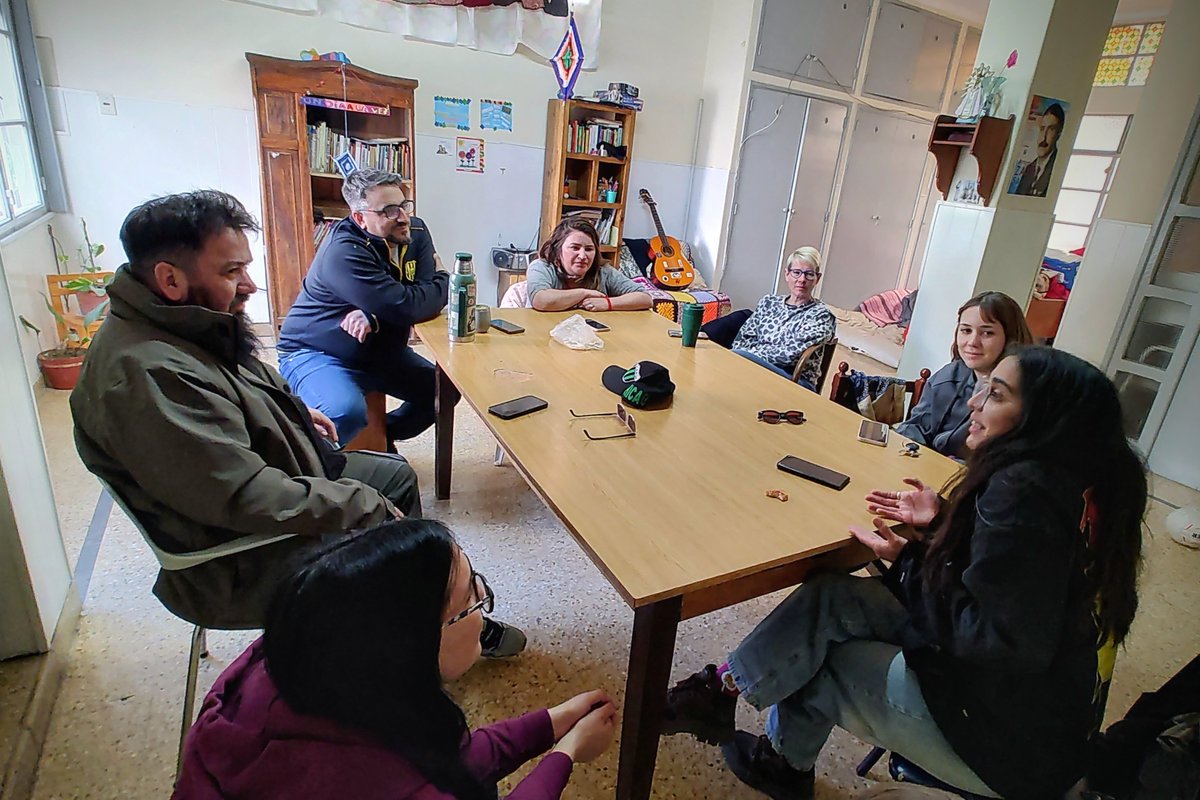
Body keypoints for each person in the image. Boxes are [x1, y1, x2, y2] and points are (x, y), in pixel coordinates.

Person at [662, 346, 1147, 800]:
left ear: (1043, 419)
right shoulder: (1074, 485)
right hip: (1027, 707)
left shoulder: (1024, 496)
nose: (974, 402)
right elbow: (1008, 584)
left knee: (821, 661)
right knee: (832, 596)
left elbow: (995, 641)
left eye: (996, 394)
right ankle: (719, 688)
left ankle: (782, 766)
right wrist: (941, 525)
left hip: (1005, 743)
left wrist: (911, 562)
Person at [72, 191, 524, 657]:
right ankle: (418, 629)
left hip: (276, 480)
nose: (250, 285)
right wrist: (359, 505)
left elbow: (247, 376)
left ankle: (417, 612)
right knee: (382, 508)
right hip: (242, 555)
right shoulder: (145, 377)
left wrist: (290, 408)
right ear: (169, 278)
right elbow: (243, 496)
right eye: (232, 272)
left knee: (394, 477)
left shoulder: (178, 323)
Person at [174, 519, 619, 799]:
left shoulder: (286, 661)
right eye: (469, 598)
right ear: (409, 644)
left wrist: (549, 723)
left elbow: (442, 758)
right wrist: (566, 754)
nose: (484, 601)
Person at [277, 169, 451, 447]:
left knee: (443, 392)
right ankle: (314, 469)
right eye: (389, 211)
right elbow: (408, 305)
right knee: (344, 413)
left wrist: (374, 311)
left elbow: (418, 299)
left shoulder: (415, 230)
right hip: (318, 352)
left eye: (405, 205)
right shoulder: (344, 250)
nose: (403, 217)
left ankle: (383, 438)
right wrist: (444, 279)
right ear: (360, 218)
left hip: (379, 349)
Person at [895, 291, 1032, 458]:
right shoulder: (949, 375)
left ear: (1010, 338)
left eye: (987, 333)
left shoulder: (1020, 395)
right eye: (966, 330)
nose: (972, 342)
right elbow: (915, 427)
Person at [730, 247, 836, 391]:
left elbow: (789, 355)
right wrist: (747, 356)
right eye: (797, 273)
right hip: (757, 366)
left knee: (736, 357)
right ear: (787, 274)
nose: (802, 279)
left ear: (817, 278)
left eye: (809, 274)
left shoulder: (821, 315)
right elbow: (743, 339)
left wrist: (749, 355)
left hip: (795, 380)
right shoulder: (769, 302)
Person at [526, 217, 652, 312]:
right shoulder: (541, 267)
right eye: (575, 248)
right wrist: (584, 293)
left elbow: (645, 298)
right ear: (558, 250)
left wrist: (608, 303)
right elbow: (541, 300)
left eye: (589, 249)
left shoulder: (603, 271)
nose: (582, 256)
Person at [1014, 102, 1065, 197]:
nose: (1043, 138)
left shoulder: (1057, 167)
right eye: (1042, 129)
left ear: (1059, 133)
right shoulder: (1029, 169)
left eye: (1051, 129)